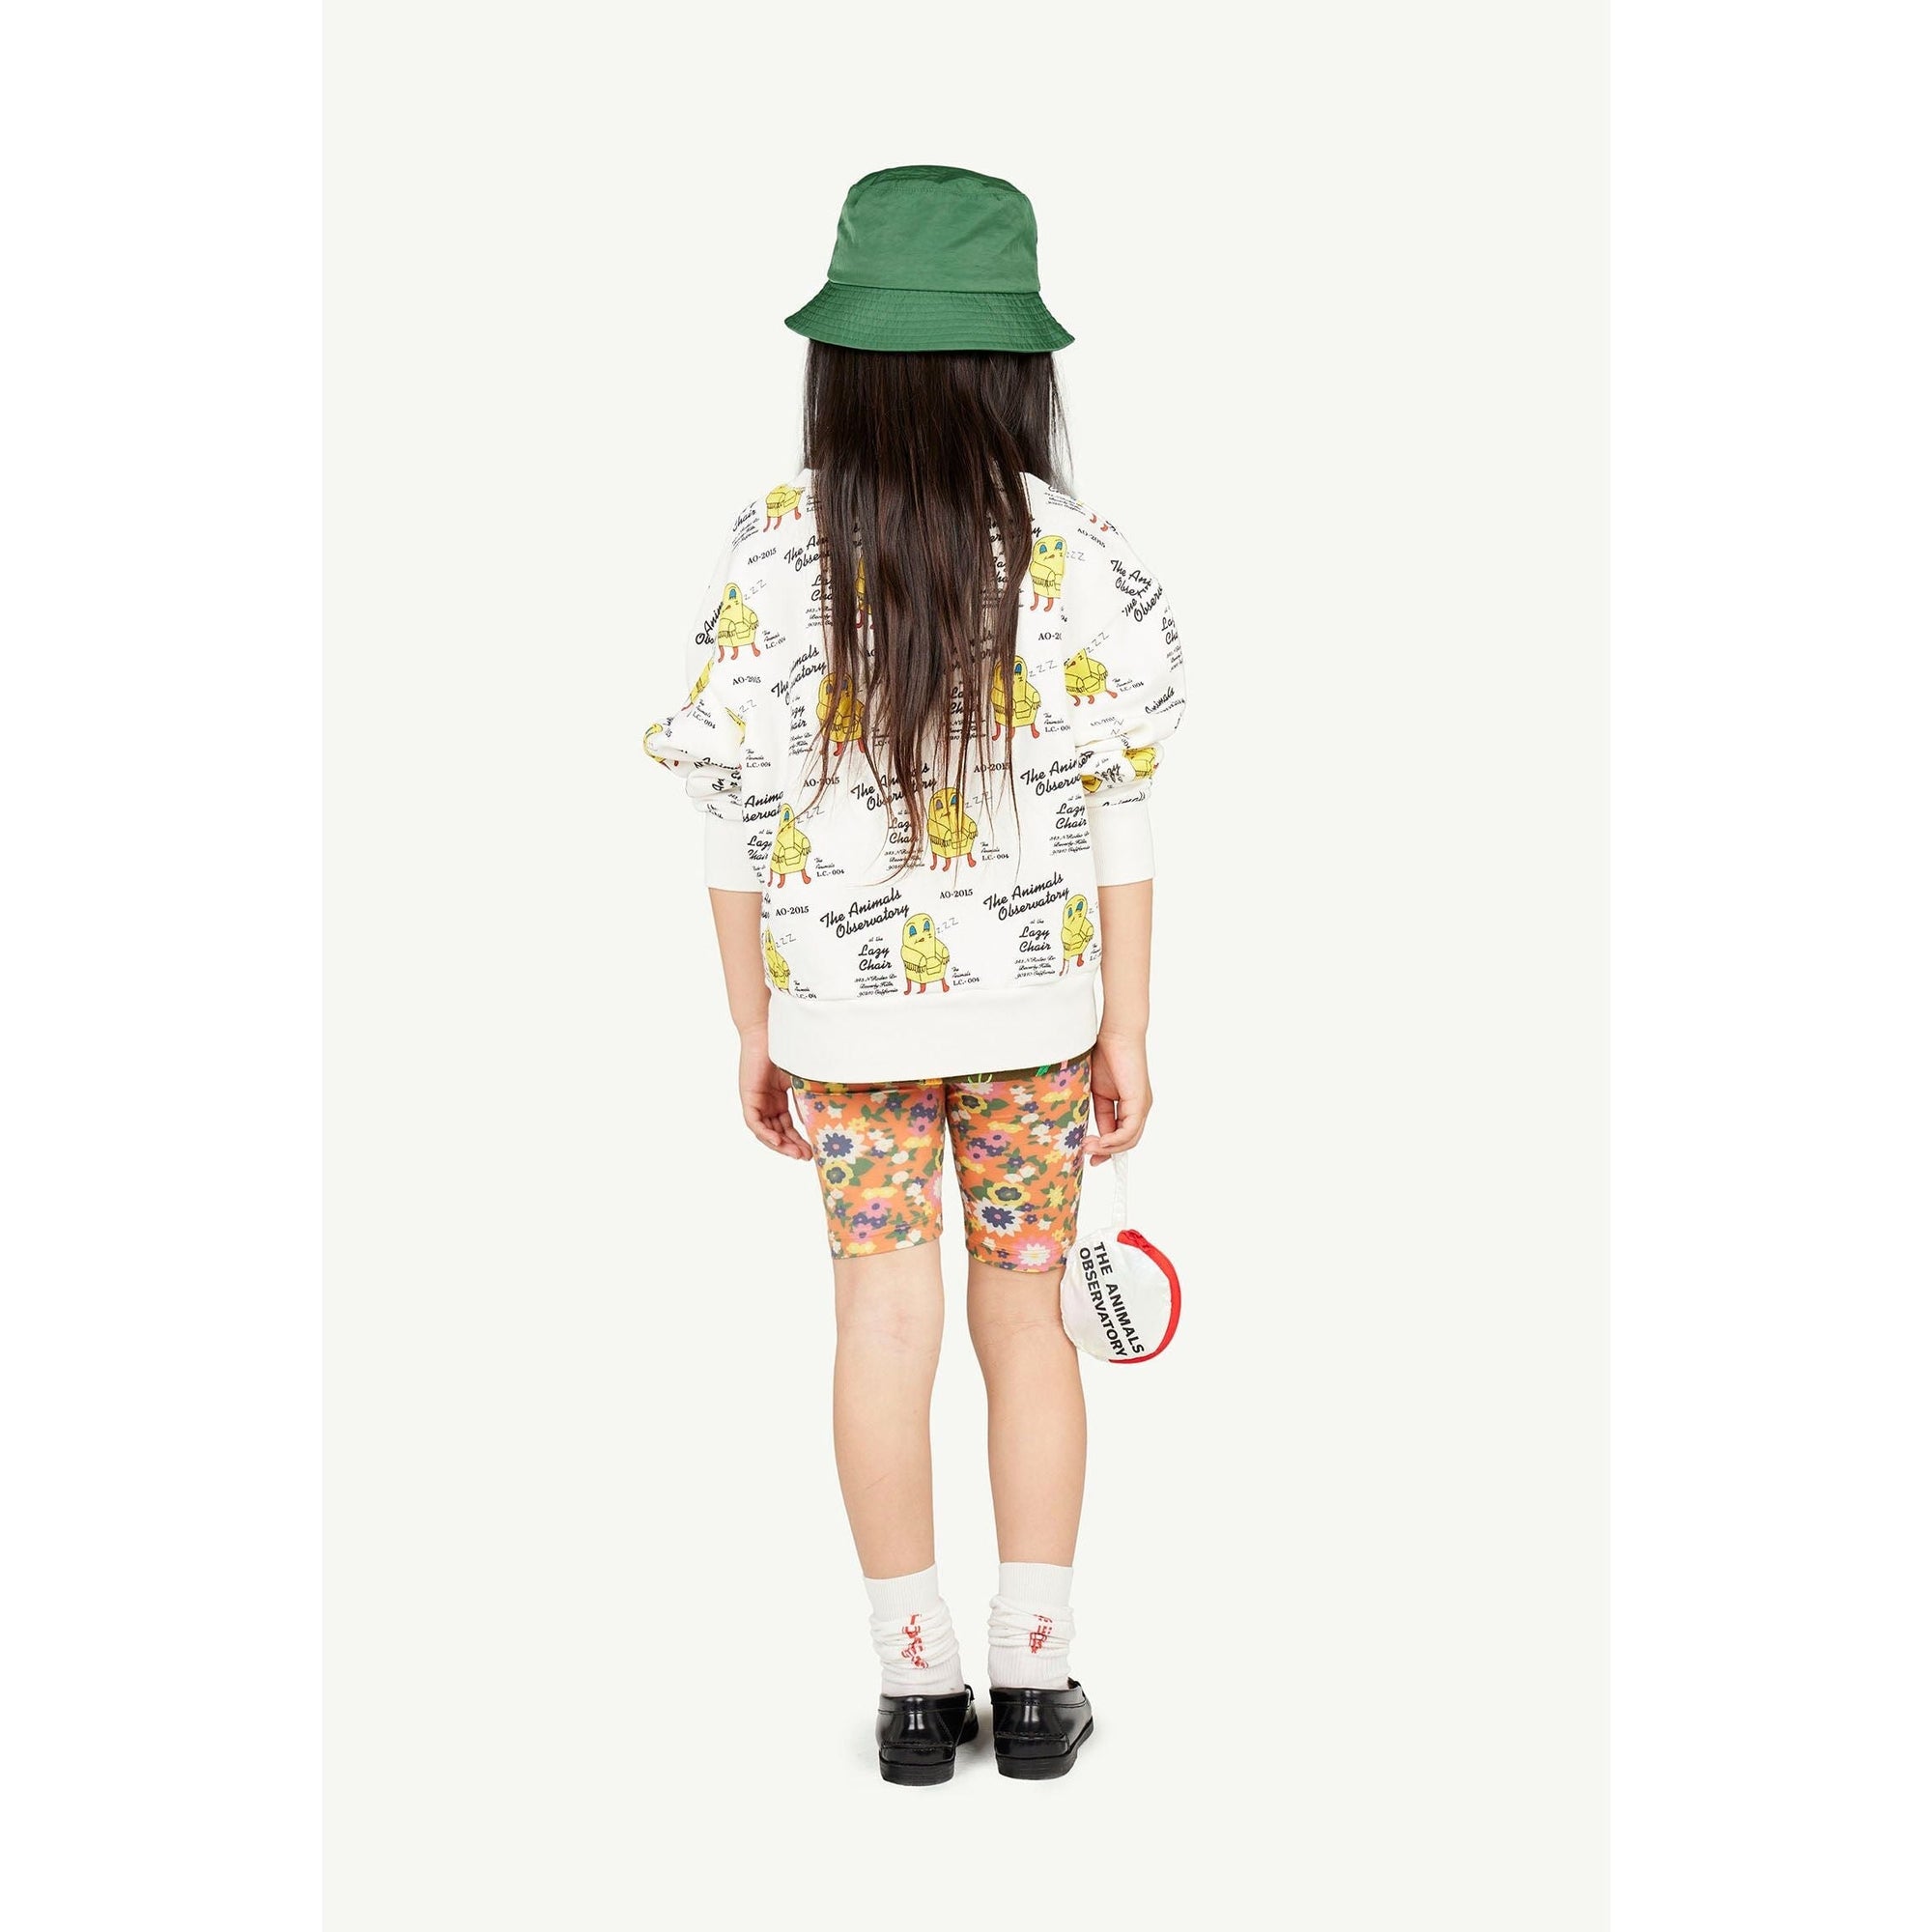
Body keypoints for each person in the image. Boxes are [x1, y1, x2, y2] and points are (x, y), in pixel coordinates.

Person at [643, 165, 1186, 1783]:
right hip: (1038, 1027)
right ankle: (1037, 1676)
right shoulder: (1078, 553)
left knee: (881, 1328)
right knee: (1030, 1324)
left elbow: (731, 811)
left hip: (845, 1030)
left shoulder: (772, 548)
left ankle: (912, 1689)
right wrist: (1127, 1026)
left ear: (838, 361)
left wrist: (755, 1024)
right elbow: (1123, 804)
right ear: (1019, 368)